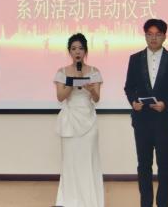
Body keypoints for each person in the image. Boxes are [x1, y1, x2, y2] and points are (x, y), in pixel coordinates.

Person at [124, 19, 168, 207]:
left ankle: (162, 204)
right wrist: (133, 102)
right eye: (149, 34)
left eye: (158, 34)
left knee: (164, 165)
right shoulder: (135, 59)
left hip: (164, 120)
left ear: (164, 37)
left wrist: (165, 103)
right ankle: (145, 203)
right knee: (144, 165)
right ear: (145, 36)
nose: (153, 38)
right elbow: (129, 87)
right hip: (141, 121)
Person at [53, 33, 104, 207]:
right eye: (74, 49)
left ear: (85, 51)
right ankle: (70, 201)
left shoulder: (94, 72)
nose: (77, 52)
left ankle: (90, 201)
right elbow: (60, 97)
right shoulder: (62, 72)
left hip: (88, 120)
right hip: (70, 120)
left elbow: (96, 98)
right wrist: (71, 84)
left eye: (81, 48)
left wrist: (91, 89)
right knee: (71, 161)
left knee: (87, 160)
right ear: (69, 51)